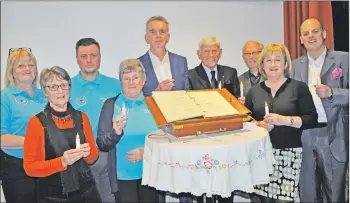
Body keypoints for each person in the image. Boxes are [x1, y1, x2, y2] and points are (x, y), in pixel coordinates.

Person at [245, 43, 318, 202]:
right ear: (262, 65)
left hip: (289, 154)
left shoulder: (299, 88)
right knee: (263, 200)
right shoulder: (254, 91)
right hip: (261, 154)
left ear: (285, 64)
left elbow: (312, 119)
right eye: (268, 60)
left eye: (277, 60)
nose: (272, 64)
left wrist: (284, 120)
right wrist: (258, 125)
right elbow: (245, 120)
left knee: (283, 200)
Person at [290, 18, 349, 202]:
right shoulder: (293, 65)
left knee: (334, 194)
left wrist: (332, 92)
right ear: (300, 39)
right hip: (304, 135)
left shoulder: (344, 59)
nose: (311, 36)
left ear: (324, 34)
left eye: (315, 31)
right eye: (306, 33)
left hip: (334, 133)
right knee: (307, 193)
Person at [23, 66, 100, 202]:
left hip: (87, 192)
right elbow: (30, 168)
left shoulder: (82, 118)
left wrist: (88, 153)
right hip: (52, 196)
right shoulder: (36, 123)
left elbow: (93, 158)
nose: (60, 91)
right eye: (53, 86)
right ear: (45, 91)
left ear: (70, 89)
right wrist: (62, 161)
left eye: (64, 85)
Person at [96, 59, 158, 203]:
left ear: (143, 81)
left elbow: (166, 138)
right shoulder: (111, 105)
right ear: (121, 82)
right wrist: (114, 133)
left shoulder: (154, 103)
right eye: (126, 78)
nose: (131, 82)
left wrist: (146, 152)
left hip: (152, 174)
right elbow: (102, 143)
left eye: (135, 77)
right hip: (123, 177)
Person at [70, 37, 122, 202]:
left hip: (108, 154)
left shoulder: (115, 85)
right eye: (84, 56)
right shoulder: (67, 87)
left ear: (100, 57)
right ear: (77, 59)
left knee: (108, 199)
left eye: (93, 55)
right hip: (78, 156)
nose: (89, 60)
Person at [0, 48, 47, 203]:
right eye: (21, 66)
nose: (27, 68)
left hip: (44, 165)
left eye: (31, 65)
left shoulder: (44, 95)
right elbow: (1, 138)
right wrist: (34, 142)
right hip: (16, 168)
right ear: (11, 72)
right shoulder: (5, 97)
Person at [138, 16, 190, 96]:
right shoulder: (137, 65)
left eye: (162, 31)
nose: (158, 35)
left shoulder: (181, 62)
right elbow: (135, 98)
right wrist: (156, 93)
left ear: (168, 37)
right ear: (146, 38)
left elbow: (187, 93)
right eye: (153, 32)